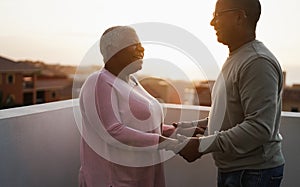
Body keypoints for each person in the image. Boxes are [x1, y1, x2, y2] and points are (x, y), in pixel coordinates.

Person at [177, 0, 285, 186]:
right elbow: (229, 116)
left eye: (218, 15)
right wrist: (186, 126)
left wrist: (202, 145)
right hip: (237, 170)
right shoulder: (238, 56)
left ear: (239, 17)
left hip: (253, 173)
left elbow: (259, 128)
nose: (212, 23)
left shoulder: (257, 61)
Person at [78, 26, 180, 187]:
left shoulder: (131, 80)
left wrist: (178, 131)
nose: (142, 48)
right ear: (112, 50)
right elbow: (113, 132)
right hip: (115, 180)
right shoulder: (99, 81)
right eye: (134, 44)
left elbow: (143, 125)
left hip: (143, 177)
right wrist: (170, 143)